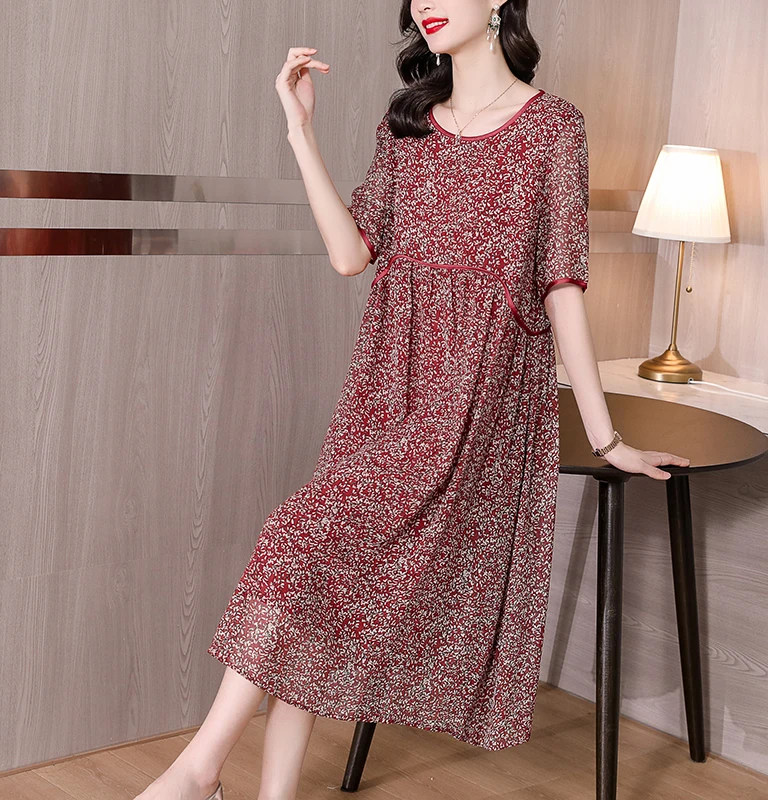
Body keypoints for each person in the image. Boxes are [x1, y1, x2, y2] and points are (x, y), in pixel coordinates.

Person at [135, 2, 690, 799]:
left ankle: (196, 772)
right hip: (384, 399)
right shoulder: (408, 127)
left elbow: (562, 287)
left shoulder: (553, 129)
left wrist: (607, 440)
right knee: (320, 581)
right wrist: (299, 131)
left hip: (473, 413)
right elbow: (349, 254)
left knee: (302, 545)